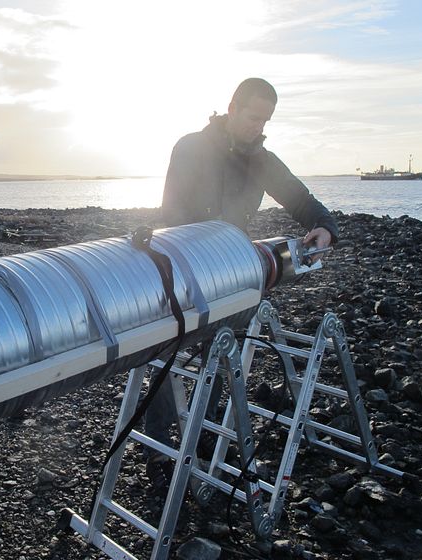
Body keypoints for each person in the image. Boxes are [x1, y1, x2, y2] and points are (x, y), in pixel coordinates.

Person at [144, 77, 339, 494]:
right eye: (253, 117)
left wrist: (324, 227)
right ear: (232, 108)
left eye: (266, 120)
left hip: (233, 276)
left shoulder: (262, 160)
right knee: (164, 362)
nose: (258, 126)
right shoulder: (190, 148)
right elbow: (172, 212)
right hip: (184, 268)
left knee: (223, 356)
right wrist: (216, 242)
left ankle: (206, 435)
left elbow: (299, 198)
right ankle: (158, 455)